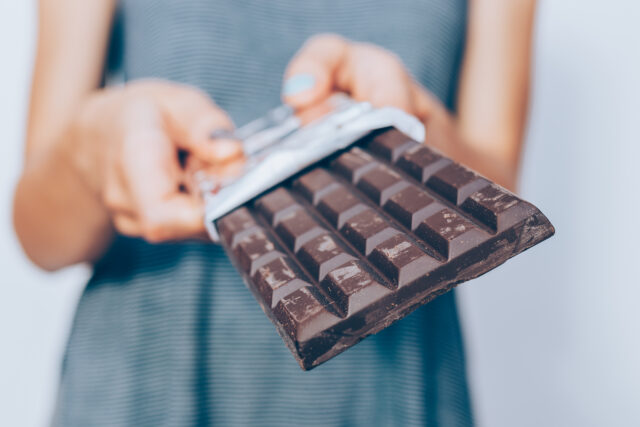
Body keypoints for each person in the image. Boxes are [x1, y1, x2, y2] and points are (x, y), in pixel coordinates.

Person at [13, 0, 535, 426]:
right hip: (145, 370)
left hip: (385, 371)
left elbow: (494, 193)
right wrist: (94, 144)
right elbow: (40, 235)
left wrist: (405, 120)